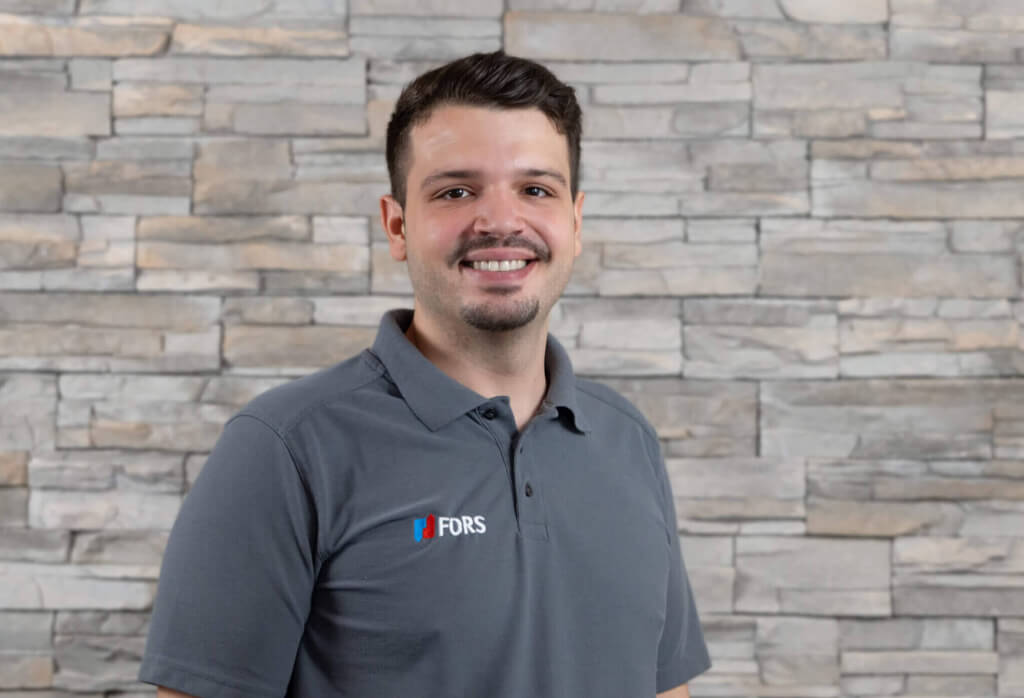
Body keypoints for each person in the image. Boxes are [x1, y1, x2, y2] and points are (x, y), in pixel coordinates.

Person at [139, 50, 711, 698]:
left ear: (575, 222)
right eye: (456, 191)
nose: (501, 221)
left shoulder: (627, 440)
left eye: (535, 190)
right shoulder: (286, 449)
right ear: (397, 225)